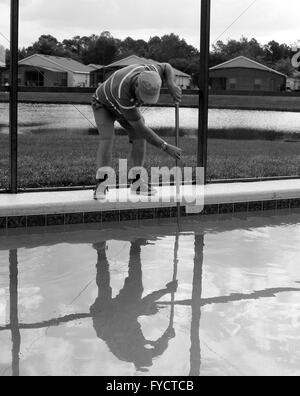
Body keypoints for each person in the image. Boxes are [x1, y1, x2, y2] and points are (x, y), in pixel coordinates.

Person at [92, 62, 184, 200]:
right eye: (142, 97)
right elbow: (141, 128)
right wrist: (165, 146)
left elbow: (166, 67)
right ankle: (101, 184)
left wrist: (171, 84)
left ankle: (137, 183)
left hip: (125, 105)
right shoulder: (123, 90)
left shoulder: (152, 72)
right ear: (136, 86)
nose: (143, 102)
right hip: (103, 104)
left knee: (139, 139)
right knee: (107, 139)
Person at [90, 239, 178, 373]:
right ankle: (135, 246)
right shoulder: (144, 353)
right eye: (147, 351)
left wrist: (167, 290)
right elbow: (158, 350)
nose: (146, 349)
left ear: (137, 355)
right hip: (122, 314)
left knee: (104, 290)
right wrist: (166, 337)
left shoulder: (124, 351)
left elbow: (147, 301)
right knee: (136, 287)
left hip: (104, 319)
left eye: (145, 351)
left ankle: (100, 251)